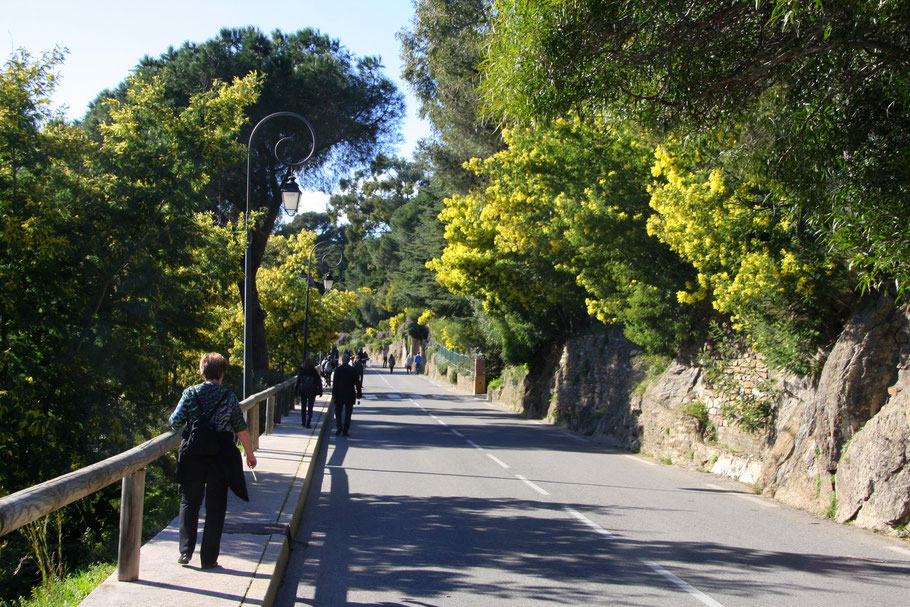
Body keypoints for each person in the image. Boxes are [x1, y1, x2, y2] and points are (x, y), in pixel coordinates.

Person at [169, 353, 257, 570]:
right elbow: (241, 428)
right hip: (220, 455)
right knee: (216, 507)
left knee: (189, 502)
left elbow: (174, 421)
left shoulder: (190, 393)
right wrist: (250, 454)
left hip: (193, 454)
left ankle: (185, 552)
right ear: (222, 373)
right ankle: (208, 559)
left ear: (202, 371)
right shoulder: (228, 397)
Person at [332, 352, 362, 436]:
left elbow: (335, 383)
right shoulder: (352, 370)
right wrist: (359, 393)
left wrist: (334, 395)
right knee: (348, 413)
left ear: (342, 360)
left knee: (338, 411)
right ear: (349, 360)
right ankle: (345, 430)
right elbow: (357, 383)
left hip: (339, 393)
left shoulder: (338, 370)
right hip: (350, 394)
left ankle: (339, 426)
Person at [295, 357, 323, 428]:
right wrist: (320, 391)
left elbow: (298, 382)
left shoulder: (301, 371)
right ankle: (308, 422)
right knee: (310, 408)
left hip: (303, 391)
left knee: (303, 407)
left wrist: (295, 392)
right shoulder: (314, 371)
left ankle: (303, 422)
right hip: (312, 391)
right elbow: (319, 382)